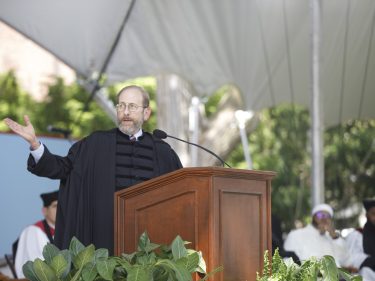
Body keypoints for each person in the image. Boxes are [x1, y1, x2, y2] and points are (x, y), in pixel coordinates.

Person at [4, 85, 183, 254]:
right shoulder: (95, 144)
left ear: (146, 112)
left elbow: (180, 197)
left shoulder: (163, 152)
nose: (126, 112)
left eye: (132, 106)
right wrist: (35, 145)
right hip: (103, 240)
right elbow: (62, 168)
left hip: (150, 242)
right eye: (121, 106)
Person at [283, 203, 351, 267]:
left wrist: (334, 236)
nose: (324, 218)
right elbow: (287, 262)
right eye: (320, 215)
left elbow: (346, 261)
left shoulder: (332, 239)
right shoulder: (296, 235)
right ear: (313, 217)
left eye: (328, 216)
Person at [14, 190, 59, 278]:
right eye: (55, 206)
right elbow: (38, 265)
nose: (60, 210)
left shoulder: (65, 231)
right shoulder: (33, 232)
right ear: (45, 211)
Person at [346, 199, 375, 281]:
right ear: (367, 215)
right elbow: (351, 259)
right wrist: (370, 261)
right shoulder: (357, 236)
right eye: (373, 214)